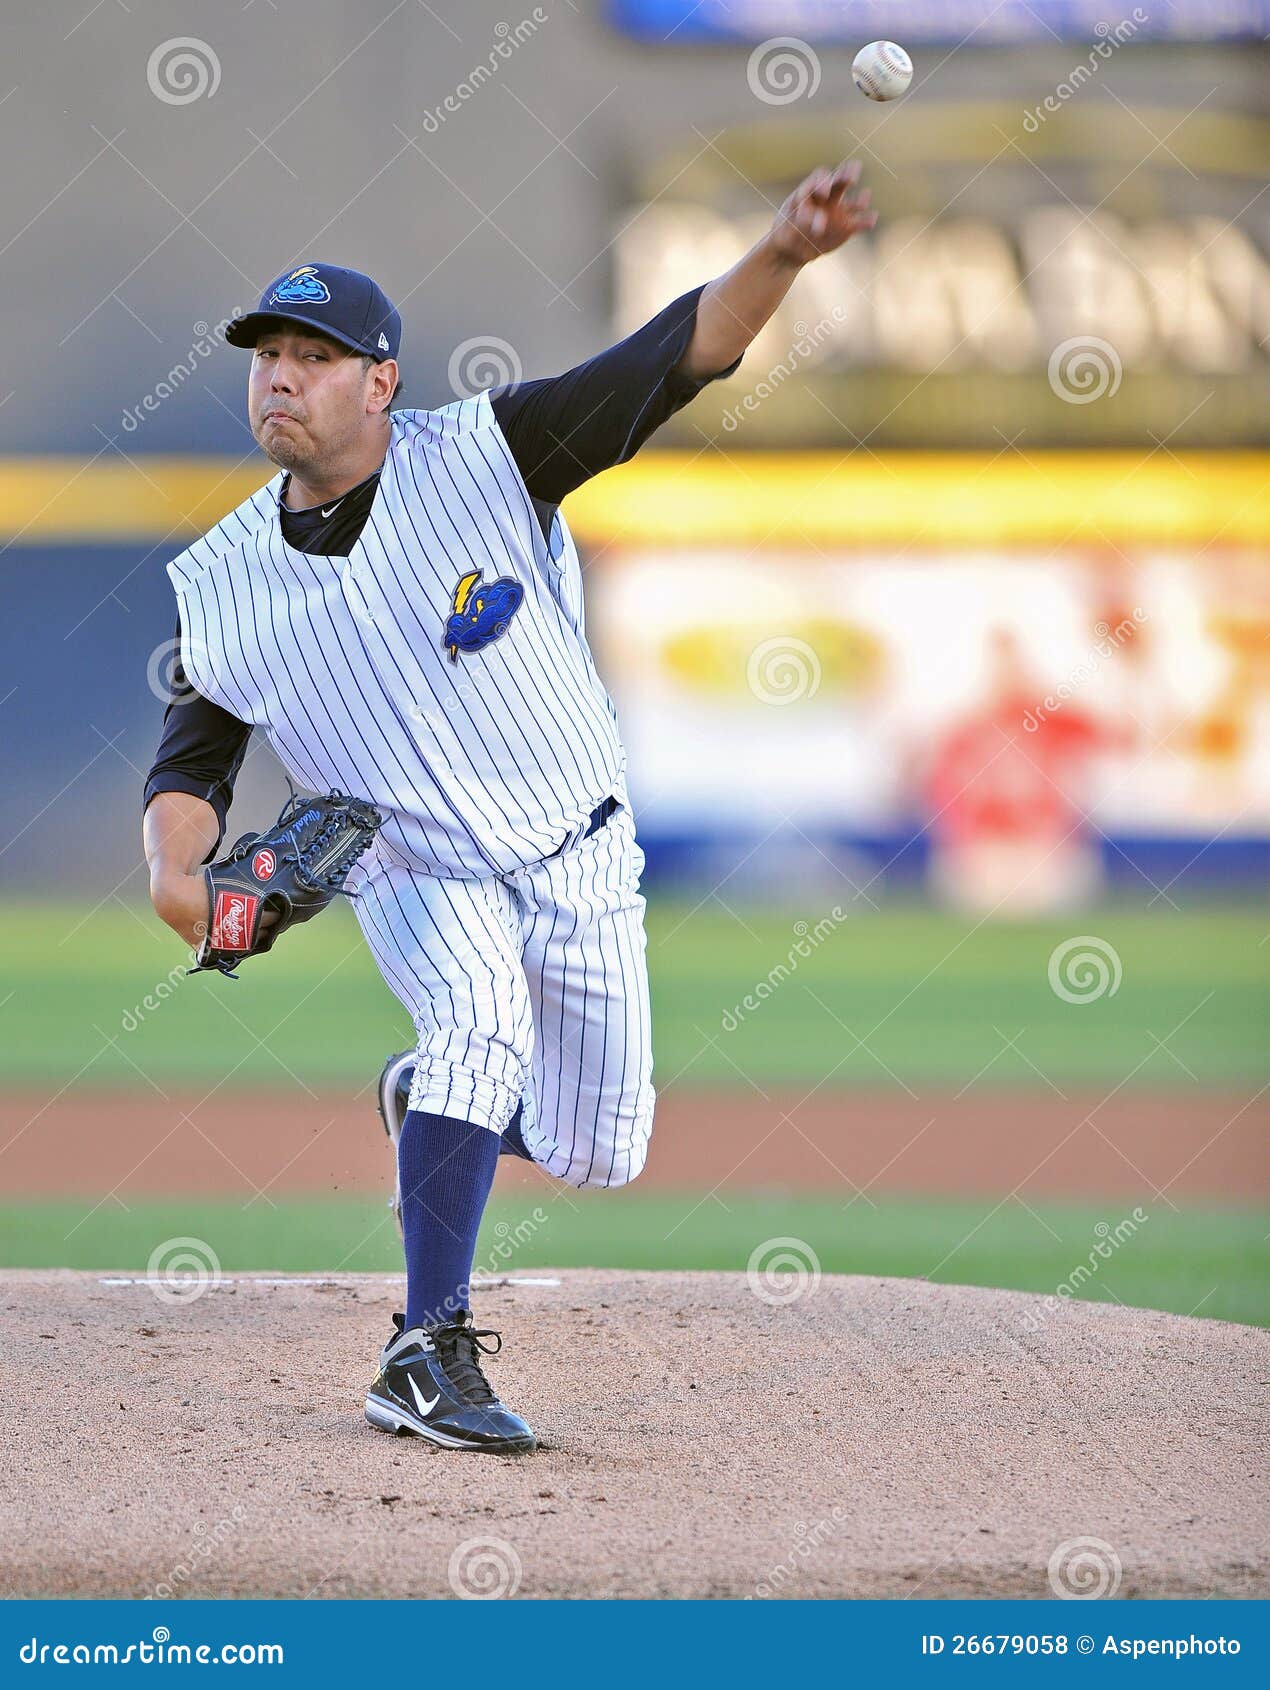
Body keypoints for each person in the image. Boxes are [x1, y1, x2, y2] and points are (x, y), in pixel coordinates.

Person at [143, 163, 877, 1454]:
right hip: (414, 867)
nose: (280, 375)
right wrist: (177, 883)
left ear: (380, 383)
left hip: (577, 848)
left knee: (602, 1151)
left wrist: (784, 251)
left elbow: (674, 355)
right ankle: (424, 1348)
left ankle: (427, 1102)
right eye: (267, 353)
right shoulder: (222, 581)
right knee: (478, 1027)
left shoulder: (496, 450)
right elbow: (190, 765)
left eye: (317, 356)